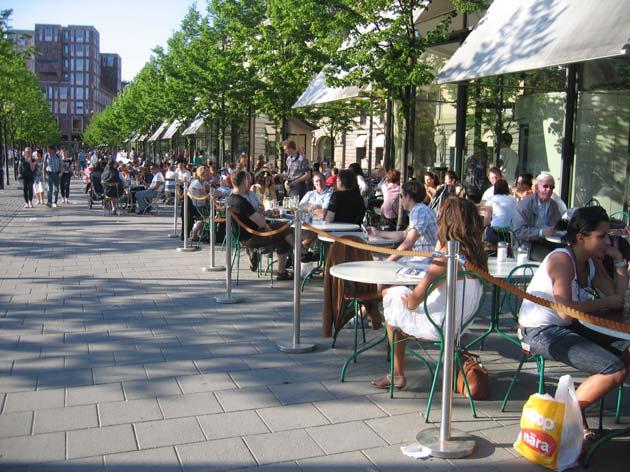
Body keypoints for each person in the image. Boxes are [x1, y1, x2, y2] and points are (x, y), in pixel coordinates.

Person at [518, 206, 629, 437]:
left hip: (571, 327)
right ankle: (561, 419)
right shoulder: (562, 260)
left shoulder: (591, 262)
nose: (607, 242)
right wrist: (604, 303)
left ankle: (575, 415)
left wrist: (619, 260)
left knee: (627, 351)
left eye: (608, 236)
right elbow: (565, 312)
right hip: (539, 331)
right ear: (581, 238)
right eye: (601, 236)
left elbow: (617, 298)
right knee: (614, 370)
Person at [370, 197, 487, 389]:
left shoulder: (447, 257)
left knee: (391, 295)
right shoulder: (477, 257)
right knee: (397, 296)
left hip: (439, 325)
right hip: (462, 325)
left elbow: (415, 300)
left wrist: (407, 299)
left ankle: (397, 374)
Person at [230, 170, 297, 281]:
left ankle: (282, 271)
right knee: (285, 229)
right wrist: (268, 228)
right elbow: (261, 222)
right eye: (247, 179)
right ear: (244, 181)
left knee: (282, 232)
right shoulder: (242, 202)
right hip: (252, 237)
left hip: (241, 237)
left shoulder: (230, 199)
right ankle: (301, 253)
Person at [368, 180, 438, 261]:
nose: (400, 200)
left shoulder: (419, 211)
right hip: (422, 258)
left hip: (425, 261)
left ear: (408, 197)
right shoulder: (420, 209)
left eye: (401, 196)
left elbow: (408, 242)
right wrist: (378, 233)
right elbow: (404, 234)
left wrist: (388, 261)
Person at [513, 173, 563, 250]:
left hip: (549, 243)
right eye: (545, 186)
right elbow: (519, 232)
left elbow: (557, 227)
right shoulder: (525, 204)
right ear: (536, 188)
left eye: (552, 187)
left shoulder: (554, 205)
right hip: (527, 246)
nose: (549, 189)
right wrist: (541, 232)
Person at [483, 179, 517, 243]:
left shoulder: (491, 200)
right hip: (510, 233)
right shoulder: (513, 199)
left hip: (496, 232)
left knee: (485, 231)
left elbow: (486, 222)